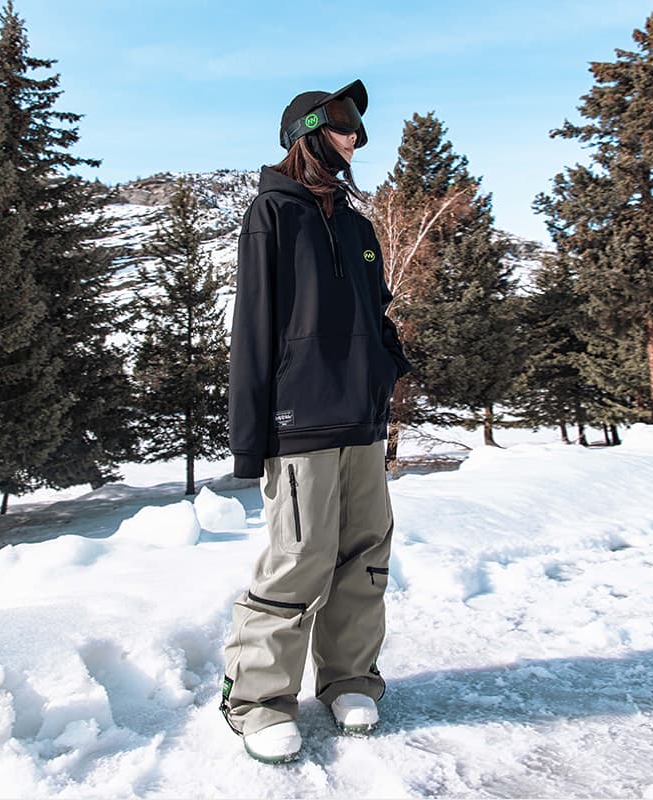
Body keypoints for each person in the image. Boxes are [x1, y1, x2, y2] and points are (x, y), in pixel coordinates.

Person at [220, 78, 411, 764]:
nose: (355, 135)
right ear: (305, 131)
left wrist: (387, 365)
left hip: (361, 420)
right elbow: (255, 330)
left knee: (363, 555)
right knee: (298, 560)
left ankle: (349, 678)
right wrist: (250, 441)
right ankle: (259, 699)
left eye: (359, 124)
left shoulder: (358, 227)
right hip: (298, 422)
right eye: (341, 122)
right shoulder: (272, 215)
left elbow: (376, 313)